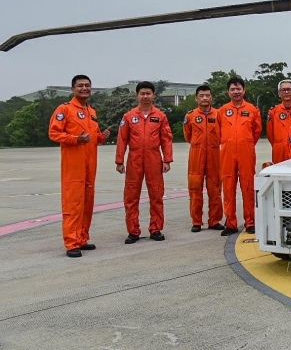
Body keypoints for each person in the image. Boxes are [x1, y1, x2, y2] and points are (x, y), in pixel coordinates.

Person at [48, 75, 112, 258]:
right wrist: (75, 139)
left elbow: (94, 137)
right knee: (73, 204)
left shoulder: (92, 111)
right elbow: (54, 133)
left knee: (87, 204)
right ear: (72, 89)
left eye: (87, 85)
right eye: (80, 86)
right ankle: (71, 243)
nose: (84, 88)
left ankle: (82, 238)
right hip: (73, 166)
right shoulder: (65, 109)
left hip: (90, 166)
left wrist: (103, 137)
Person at [115, 81, 173, 244]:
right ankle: (133, 231)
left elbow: (166, 139)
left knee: (156, 194)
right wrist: (119, 160)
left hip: (154, 158)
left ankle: (156, 229)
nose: (145, 96)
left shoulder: (160, 116)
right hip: (134, 158)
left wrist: (167, 159)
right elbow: (122, 139)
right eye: (142, 93)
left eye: (148, 93)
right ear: (137, 95)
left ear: (153, 95)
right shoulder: (128, 116)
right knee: (131, 195)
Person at [219, 77, 262, 236]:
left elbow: (256, 131)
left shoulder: (252, 109)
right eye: (232, 89)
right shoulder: (222, 111)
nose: (236, 92)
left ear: (244, 90)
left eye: (238, 89)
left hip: (246, 152)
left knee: (248, 187)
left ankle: (250, 222)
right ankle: (230, 223)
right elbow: (218, 132)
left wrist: (247, 143)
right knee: (228, 188)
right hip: (227, 153)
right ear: (228, 92)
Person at [182, 85, 224, 233]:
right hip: (196, 154)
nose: (205, 98)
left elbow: (222, 134)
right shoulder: (190, 116)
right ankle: (196, 221)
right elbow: (187, 136)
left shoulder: (219, 114)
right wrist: (198, 145)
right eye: (201, 95)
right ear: (196, 98)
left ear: (211, 97)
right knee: (195, 188)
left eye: (207, 95)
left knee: (215, 188)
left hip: (214, 154)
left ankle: (214, 220)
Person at [266, 79, 291, 164]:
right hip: (279, 150)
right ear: (279, 93)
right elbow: (270, 134)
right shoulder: (273, 111)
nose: (286, 92)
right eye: (283, 90)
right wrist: (279, 144)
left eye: (289, 89)